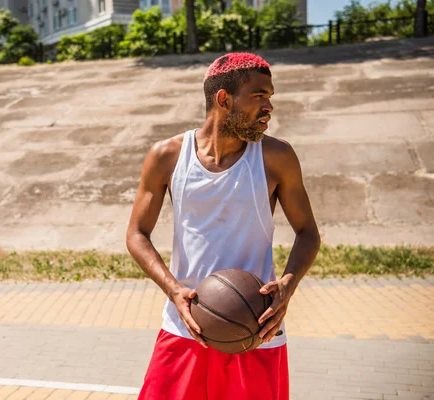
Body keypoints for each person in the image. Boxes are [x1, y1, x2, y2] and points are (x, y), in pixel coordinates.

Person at [125, 52, 321, 400]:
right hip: (185, 326)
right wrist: (173, 291)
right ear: (224, 98)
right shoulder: (167, 156)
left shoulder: (277, 157)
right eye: (259, 96)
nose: (269, 107)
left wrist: (287, 286)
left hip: (257, 330)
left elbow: (308, 232)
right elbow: (137, 234)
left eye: (270, 97)